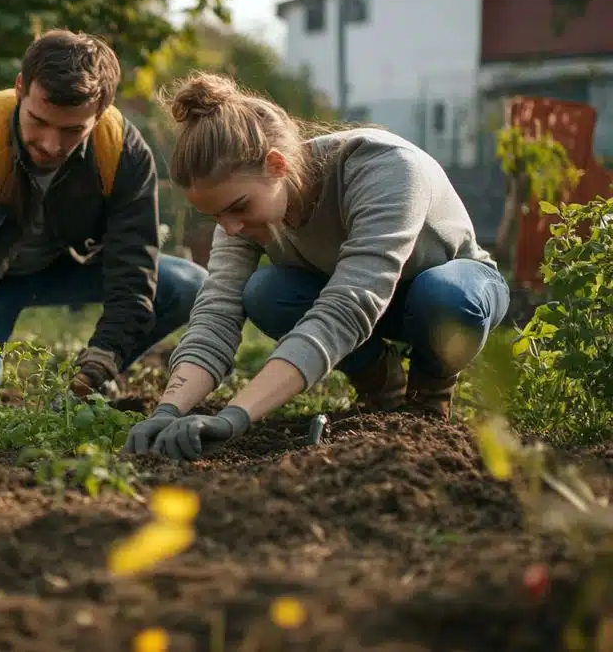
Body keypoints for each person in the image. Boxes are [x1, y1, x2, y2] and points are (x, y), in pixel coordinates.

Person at [124, 72, 510, 461]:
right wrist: (168, 409)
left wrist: (234, 416)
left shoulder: (385, 169)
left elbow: (349, 304)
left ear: (277, 166)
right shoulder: (241, 212)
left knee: (444, 296)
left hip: (448, 289)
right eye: (216, 216)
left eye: (239, 208)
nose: (230, 228)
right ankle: (380, 381)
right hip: (364, 304)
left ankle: (430, 392)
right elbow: (216, 312)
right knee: (265, 292)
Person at [0, 29, 209, 429]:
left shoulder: (123, 153)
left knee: (189, 283)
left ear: (100, 112)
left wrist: (91, 375)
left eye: (71, 132)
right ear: (20, 89)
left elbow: (133, 274)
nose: (50, 143)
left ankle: (99, 380)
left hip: (70, 268)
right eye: (39, 121)